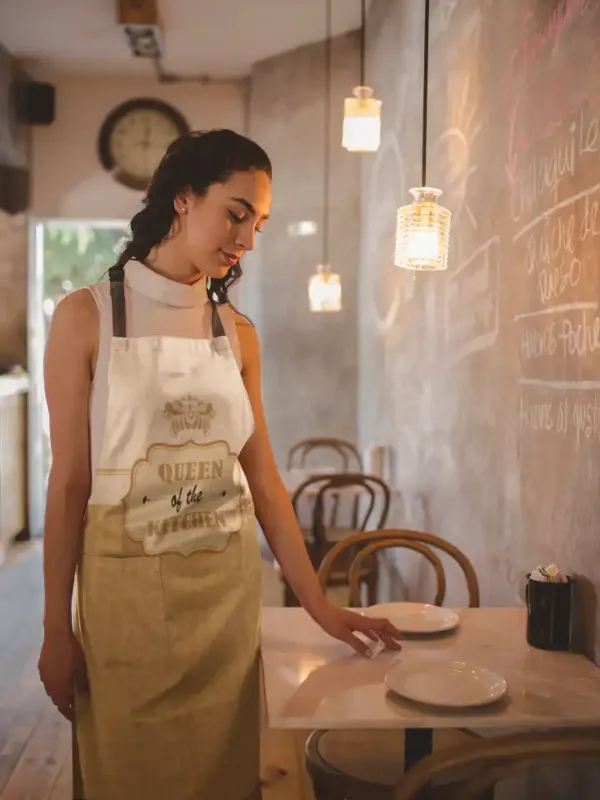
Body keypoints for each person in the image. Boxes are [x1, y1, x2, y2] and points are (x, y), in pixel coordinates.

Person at [38, 128, 402, 800]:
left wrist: (318, 604)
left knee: (224, 779)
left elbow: (264, 484)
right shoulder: (85, 317)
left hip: (224, 604)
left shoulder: (235, 332)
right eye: (236, 213)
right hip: (127, 604)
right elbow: (68, 485)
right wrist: (56, 628)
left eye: (258, 223)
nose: (247, 240)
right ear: (183, 199)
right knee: (128, 776)